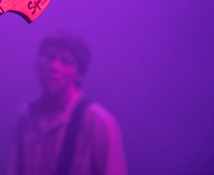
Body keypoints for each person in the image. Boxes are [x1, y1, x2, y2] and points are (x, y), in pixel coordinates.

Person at [8, 33, 126, 175]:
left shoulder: (97, 122)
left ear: (79, 74)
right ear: (36, 63)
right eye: (49, 57)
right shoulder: (26, 116)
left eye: (66, 61)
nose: (54, 67)